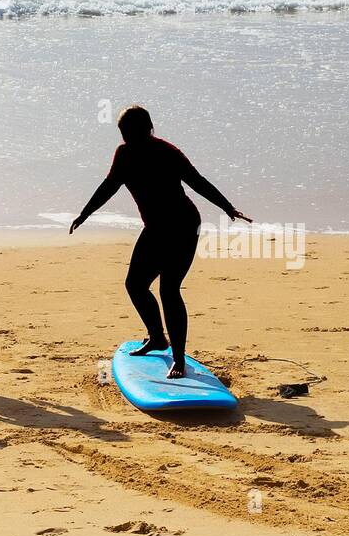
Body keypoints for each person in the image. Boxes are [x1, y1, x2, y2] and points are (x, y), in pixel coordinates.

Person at [69, 105, 251, 379]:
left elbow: (197, 182)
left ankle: (178, 359)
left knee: (169, 289)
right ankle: (157, 338)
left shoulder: (167, 152)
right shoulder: (125, 154)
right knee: (135, 284)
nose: (128, 137)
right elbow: (109, 186)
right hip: (155, 229)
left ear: (148, 129)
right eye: (124, 133)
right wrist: (85, 213)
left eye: (132, 132)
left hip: (182, 227)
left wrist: (227, 207)